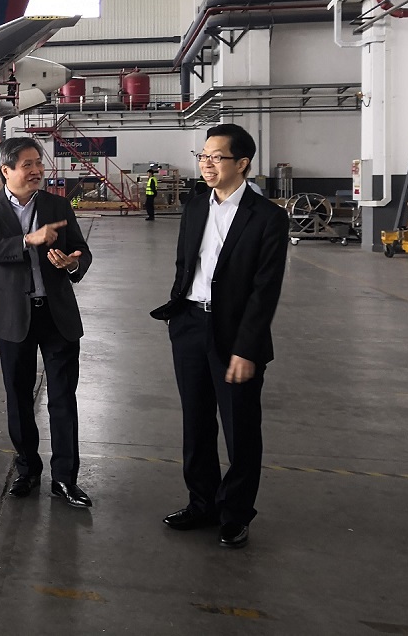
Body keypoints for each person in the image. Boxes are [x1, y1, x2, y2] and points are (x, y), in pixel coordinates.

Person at [150, 123, 288, 549]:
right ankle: (202, 504)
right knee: (196, 423)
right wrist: (178, 315)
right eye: (203, 156)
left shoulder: (267, 218)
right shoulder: (194, 208)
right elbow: (183, 265)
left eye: (216, 157)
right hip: (190, 325)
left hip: (234, 335)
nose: (207, 164)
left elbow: (265, 292)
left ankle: (235, 513)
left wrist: (246, 348)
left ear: (241, 163)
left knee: (240, 428)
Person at [0, 136, 94, 506]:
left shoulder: (57, 204)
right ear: (5, 170)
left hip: (57, 315)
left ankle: (65, 478)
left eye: (38, 163)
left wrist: (73, 263)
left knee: (62, 398)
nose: (37, 170)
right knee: (19, 398)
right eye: (27, 164)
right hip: (13, 318)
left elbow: (82, 251)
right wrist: (28, 240)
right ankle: (27, 470)